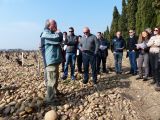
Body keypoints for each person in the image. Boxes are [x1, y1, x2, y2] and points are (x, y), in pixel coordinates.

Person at [40, 19, 63, 105]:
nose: (56, 26)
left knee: (55, 77)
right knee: (51, 80)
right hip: (50, 61)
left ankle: (55, 92)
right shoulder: (46, 34)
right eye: (54, 25)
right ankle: (50, 99)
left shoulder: (51, 33)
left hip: (54, 60)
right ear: (49, 26)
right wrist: (59, 32)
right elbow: (59, 38)